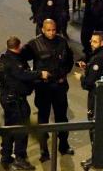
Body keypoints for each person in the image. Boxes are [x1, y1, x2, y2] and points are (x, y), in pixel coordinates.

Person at [21, 19, 75, 161]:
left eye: (54, 29)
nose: (51, 32)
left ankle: (64, 146)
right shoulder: (34, 44)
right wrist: (34, 75)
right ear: (43, 30)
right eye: (49, 30)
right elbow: (21, 58)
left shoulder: (62, 42)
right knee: (43, 119)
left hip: (59, 86)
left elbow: (69, 61)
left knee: (62, 118)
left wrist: (63, 74)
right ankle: (44, 151)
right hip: (43, 87)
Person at [0, 36, 50, 170]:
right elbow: (22, 74)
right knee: (22, 128)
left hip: (8, 98)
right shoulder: (14, 61)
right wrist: (39, 74)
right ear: (18, 46)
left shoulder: (4, 59)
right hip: (16, 100)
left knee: (9, 127)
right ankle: (20, 157)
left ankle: (6, 155)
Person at [79, 31, 103, 144]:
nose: (92, 44)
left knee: (94, 125)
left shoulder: (98, 58)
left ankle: (96, 154)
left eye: (95, 41)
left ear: (102, 43)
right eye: (91, 41)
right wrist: (88, 67)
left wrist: (81, 77)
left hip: (96, 96)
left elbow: (89, 82)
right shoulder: (102, 54)